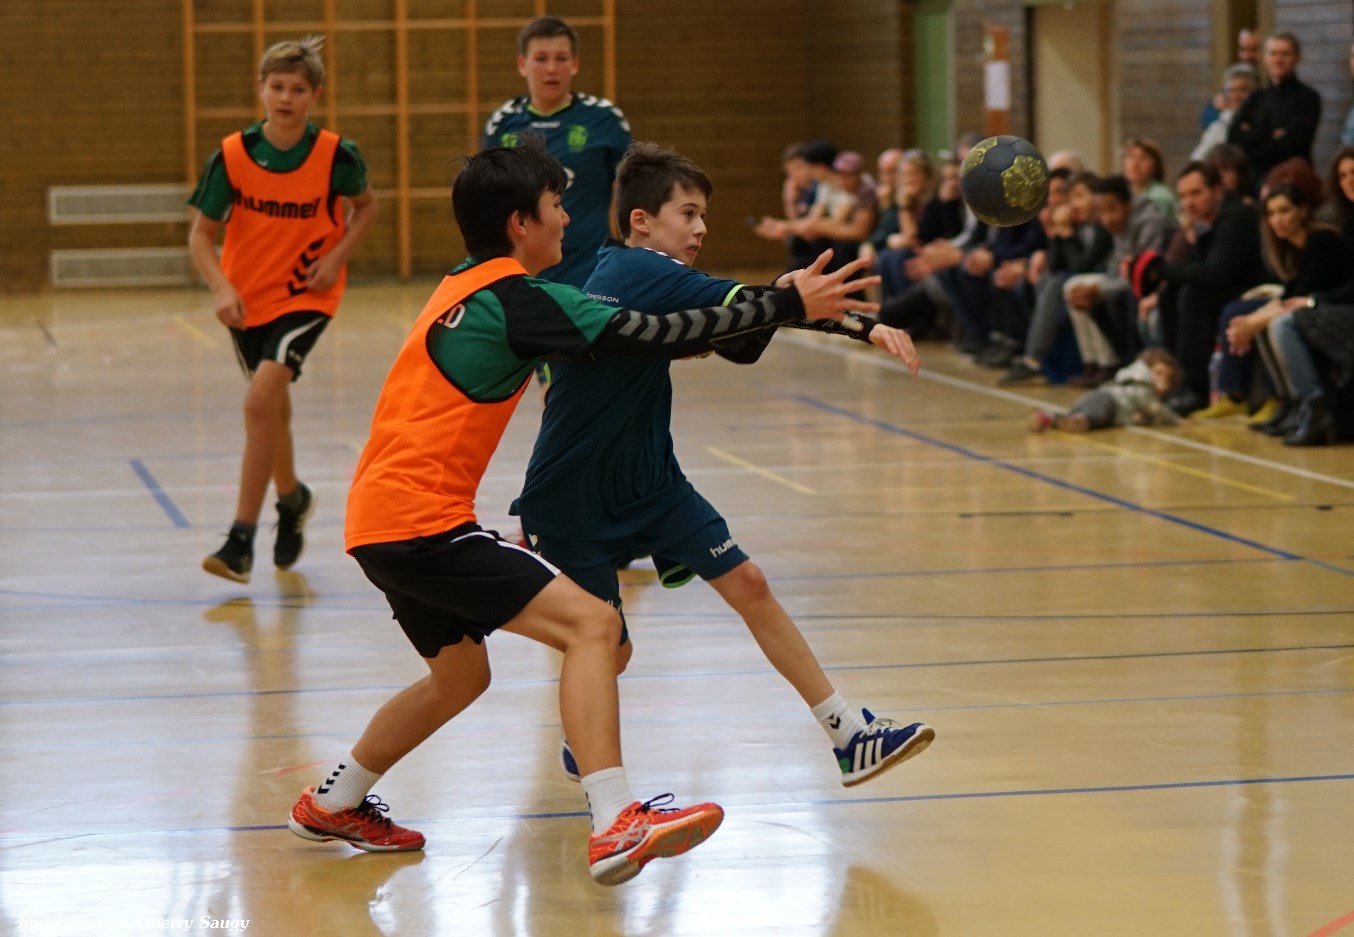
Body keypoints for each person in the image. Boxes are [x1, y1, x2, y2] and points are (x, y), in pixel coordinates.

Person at [285, 142, 879, 884]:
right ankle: (614, 818)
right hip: (424, 522)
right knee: (593, 624)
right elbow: (655, 333)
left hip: (377, 521)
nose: (567, 216)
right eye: (555, 205)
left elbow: (671, 337)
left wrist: (797, 313)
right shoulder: (523, 301)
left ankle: (334, 798)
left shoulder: (462, 287)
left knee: (460, 676)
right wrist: (787, 302)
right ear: (519, 222)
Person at [511, 142, 934, 790]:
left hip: (651, 480)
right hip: (573, 495)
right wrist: (857, 324)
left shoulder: (628, 271)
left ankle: (848, 732)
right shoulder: (639, 270)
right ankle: (589, 737)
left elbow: (737, 329)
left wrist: (828, 320)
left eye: (704, 214)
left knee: (749, 583)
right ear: (643, 221)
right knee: (607, 650)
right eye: (689, 212)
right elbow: (757, 312)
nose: (702, 227)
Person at [189, 36, 379, 584]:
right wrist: (222, 288)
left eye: (298, 89)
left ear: (314, 96)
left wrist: (337, 253)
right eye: (277, 87)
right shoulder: (231, 156)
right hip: (247, 299)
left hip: (307, 295)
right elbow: (201, 235)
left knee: (258, 403)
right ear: (261, 89)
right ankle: (292, 498)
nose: (286, 97)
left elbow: (367, 209)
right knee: (272, 410)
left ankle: (240, 539)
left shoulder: (335, 156)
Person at [482, 16, 632, 288]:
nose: (551, 68)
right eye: (541, 58)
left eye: (561, 58)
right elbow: (489, 202)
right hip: (524, 274)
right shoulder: (502, 123)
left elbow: (632, 190)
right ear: (522, 65)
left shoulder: (604, 118)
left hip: (591, 271)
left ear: (574, 63)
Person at [1131, 161, 1267, 411]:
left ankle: (1196, 389)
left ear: (1217, 190)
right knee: (1170, 294)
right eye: (1183, 196)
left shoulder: (1236, 217)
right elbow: (1200, 269)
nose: (1188, 203)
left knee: (1193, 296)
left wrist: (1159, 270)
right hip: (1231, 286)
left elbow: (1214, 274)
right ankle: (1176, 380)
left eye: (1196, 193)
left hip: (1258, 289)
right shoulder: (1206, 221)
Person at [1220, 182, 1354, 433]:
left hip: (1343, 313)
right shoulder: (1296, 249)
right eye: (1271, 213)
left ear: (1303, 211)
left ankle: (1313, 404)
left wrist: (1252, 324)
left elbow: (1299, 299)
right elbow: (1293, 294)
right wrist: (1251, 321)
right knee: (1263, 318)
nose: (1277, 220)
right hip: (1328, 311)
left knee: (1281, 322)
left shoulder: (1322, 240)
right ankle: (1290, 403)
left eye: (1284, 211)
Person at [1227, 32, 1322, 187]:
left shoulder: (1308, 98)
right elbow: (1233, 136)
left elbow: (1292, 145)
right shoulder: (1256, 97)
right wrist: (1270, 134)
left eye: (1285, 54)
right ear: (1265, 58)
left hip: (1291, 182)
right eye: (1273, 53)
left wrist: (1252, 135)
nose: (1278, 59)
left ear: (1298, 58)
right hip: (1253, 181)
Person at [1026, 349, 1186, 433]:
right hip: (1108, 400)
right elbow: (1153, 407)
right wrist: (1177, 420)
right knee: (1095, 416)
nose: (1161, 380)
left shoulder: (1127, 379)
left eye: (1166, 377)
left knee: (1087, 417)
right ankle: (1079, 420)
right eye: (1158, 373)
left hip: (1095, 396)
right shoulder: (1141, 386)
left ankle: (1048, 418)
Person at [1192, 64, 1258, 161]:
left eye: (1243, 90)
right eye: (1232, 90)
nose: (1237, 96)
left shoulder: (1262, 121)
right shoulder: (1218, 125)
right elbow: (1198, 157)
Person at [1200, 29, 1263, 130]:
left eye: (1254, 49)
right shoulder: (1234, 75)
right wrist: (1218, 111)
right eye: (1243, 49)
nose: (1247, 56)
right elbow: (1208, 121)